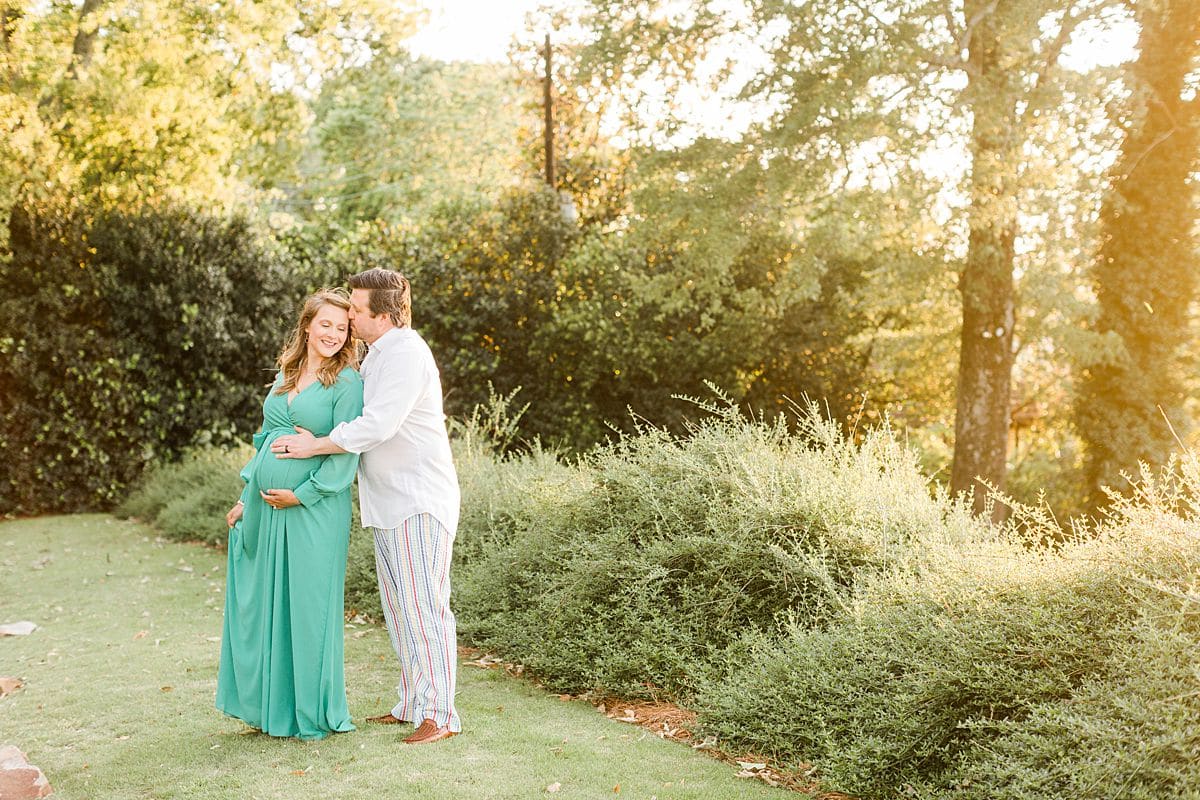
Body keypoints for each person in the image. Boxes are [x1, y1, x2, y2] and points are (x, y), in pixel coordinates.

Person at [272, 268, 462, 745]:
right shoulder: (379, 355)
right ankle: (411, 704)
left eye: (356, 310)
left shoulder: (407, 354)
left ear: (383, 314)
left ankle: (439, 715)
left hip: (417, 500)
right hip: (389, 503)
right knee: (400, 611)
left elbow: (377, 425)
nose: (350, 317)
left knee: (424, 608)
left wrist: (315, 446)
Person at [216, 289, 364, 740]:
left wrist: (302, 494)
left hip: (314, 509)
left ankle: (310, 713)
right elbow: (266, 439)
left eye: (342, 328)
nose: (333, 334)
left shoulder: (348, 383)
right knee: (269, 604)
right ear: (307, 325)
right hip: (266, 507)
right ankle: (270, 709)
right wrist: (247, 495)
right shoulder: (287, 372)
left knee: (308, 605)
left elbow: (347, 450)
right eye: (326, 324)